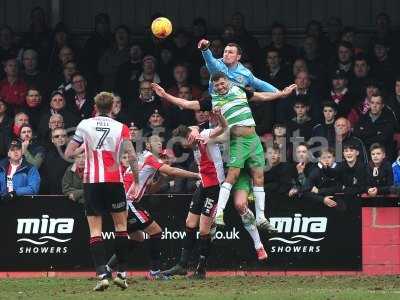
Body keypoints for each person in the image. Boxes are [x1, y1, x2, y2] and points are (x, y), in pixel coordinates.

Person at [151, 74, 296, 230]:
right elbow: (187, 104)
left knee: (258, 177)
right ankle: (219, 213)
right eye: (217, 85)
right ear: (213, 87)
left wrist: (281, 93)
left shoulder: (240, 91)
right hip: (235, 141)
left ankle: (261, 218)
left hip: (252, 139)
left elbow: (261, 96)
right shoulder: (212, 100)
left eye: (222, 83)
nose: (220, 87)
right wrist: (165, 95)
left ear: (228, 81)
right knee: (232, 176)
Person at [65, 91, 139, 291]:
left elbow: (68, 152)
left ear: (95, 107)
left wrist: (86, 148)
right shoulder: (121, 127)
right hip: (115, 181)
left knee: (95, 229)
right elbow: (132, 155)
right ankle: (122, 274)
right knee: (121, 227)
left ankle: (102, 274)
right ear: (113, 107)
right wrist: (138, 181)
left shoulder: (84, 125)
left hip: (92, 182)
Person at [106, 135, 200, 280]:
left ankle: (107, 268)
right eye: (155, 142)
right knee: (156, 232)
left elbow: (149, 190)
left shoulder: (143, 160)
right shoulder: (150, 158)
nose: (159, 143)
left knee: (137, 237)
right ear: (148, 146)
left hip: (121, 201)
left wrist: (162, 178)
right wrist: (197, 175)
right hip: (127, 201)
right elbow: (172, 171)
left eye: (160, 142)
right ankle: (155, 273)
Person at [162, 110, 229, 279]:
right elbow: (192, 127)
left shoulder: (206, 135)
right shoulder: (195, 134)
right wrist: (194, 130)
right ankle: (182, 265)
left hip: (215, 186)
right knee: (190, 223)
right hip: (204, 184)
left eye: (186, 144)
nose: (187, 147)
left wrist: (218, 116)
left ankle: (201, 269)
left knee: (204, 229)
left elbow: (223, 127)